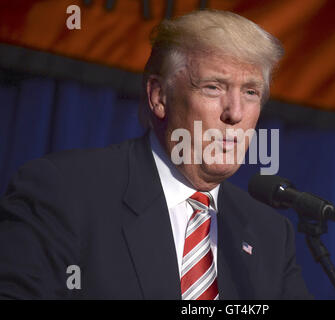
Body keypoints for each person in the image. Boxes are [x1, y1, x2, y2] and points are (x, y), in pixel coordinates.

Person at [0, 9, 312, 300]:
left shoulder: (269, 233)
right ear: (159, 96)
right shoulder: (65, 191)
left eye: (250, 92)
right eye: (214, 87)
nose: (235, 113)